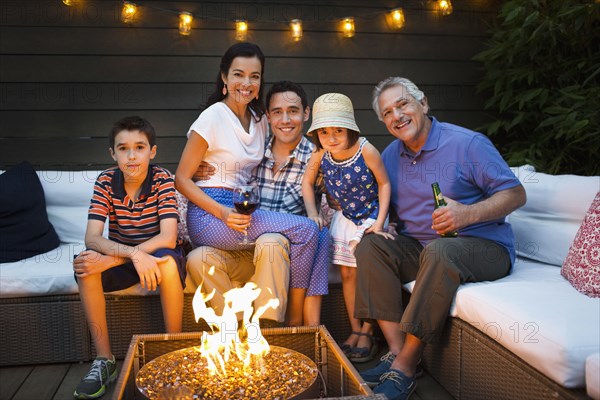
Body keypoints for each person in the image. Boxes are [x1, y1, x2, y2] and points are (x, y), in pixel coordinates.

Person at [356, 77, 526, 400]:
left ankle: (406, 367)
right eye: (388, 112)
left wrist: (466, 213)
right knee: (372, 244)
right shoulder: (391, 156)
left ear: (423, 103)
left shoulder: (467, 144)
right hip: (423, 250)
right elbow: (383, 201)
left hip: (484, 247)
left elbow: (516, 194)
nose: (397, 115)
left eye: (403, 104)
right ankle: (395, 353)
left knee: (441, 250)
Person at [175, 43, 327, 327]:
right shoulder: (212, 117)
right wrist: (221, 211)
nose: (246, 83)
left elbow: (262, 153)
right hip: (212, 214)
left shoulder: (259, 120)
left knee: (316, 233)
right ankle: (294, 322)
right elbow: (181, 178)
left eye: (254, 76)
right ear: (224, 77)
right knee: (308, 229)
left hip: (240, 207)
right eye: (238, 74)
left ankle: (251, 331)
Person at [72, 116, 186, 399]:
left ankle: (173, 350)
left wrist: (120, 257)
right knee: (85, 265)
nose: (132, 155)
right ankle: (104, 360)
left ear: (153, 151)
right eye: (123, 148)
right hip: (125, 252)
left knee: (168, 264)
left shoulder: (162, 180)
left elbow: (168, 237)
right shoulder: (106, 181)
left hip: (157, 251)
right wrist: (130, 255)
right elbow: (93, 238)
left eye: (139, 147)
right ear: (113, 153)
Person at [302, 93, 392, 363]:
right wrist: (313, 213)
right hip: (344, 217)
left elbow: (385, 185)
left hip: (370, 218)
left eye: (338, 130)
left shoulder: (367, 150)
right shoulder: (320, 154)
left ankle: (369, 330)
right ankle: (355, 329)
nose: (331, 137)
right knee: (348, 275)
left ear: (350, 128)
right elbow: (307, 184)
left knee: (368, 274)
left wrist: (379, 222)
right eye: (324, 131)